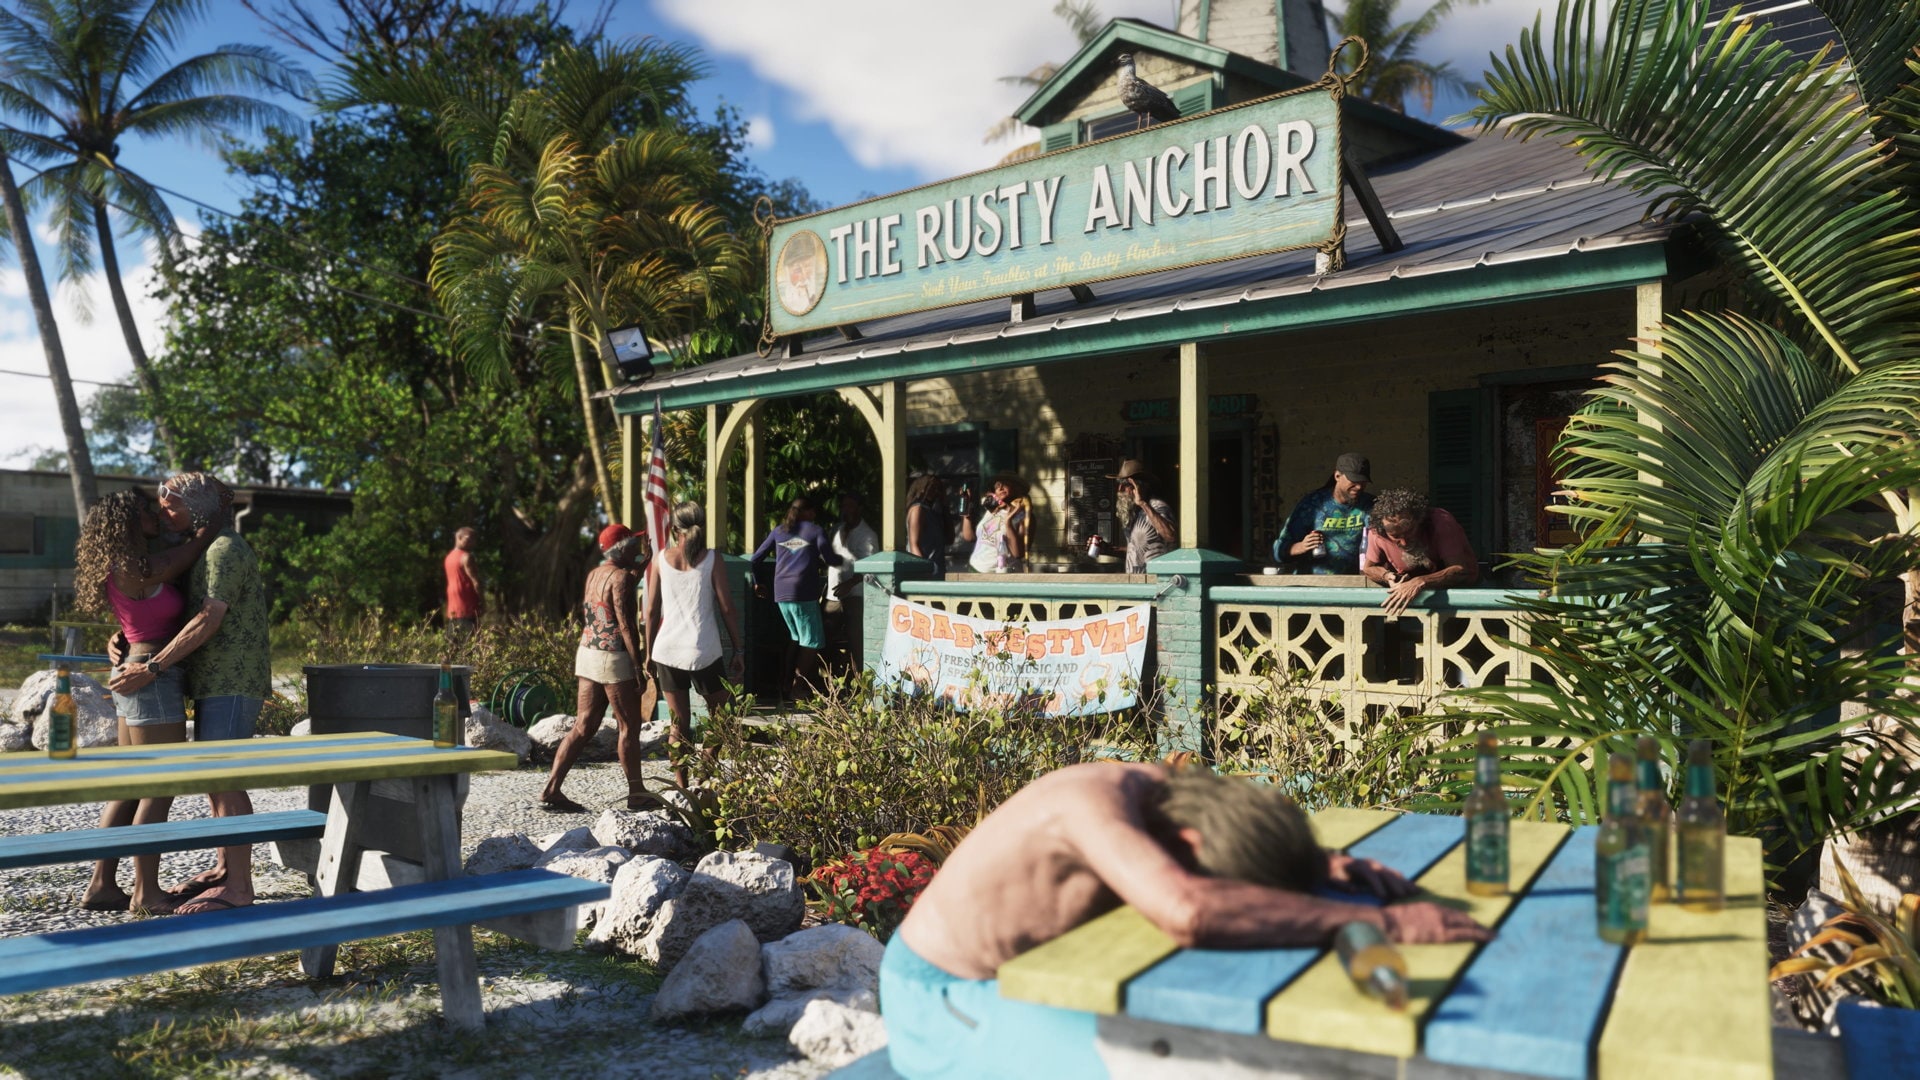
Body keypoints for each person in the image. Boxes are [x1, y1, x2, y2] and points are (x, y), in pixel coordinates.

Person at [881, 762, 1492, 1077]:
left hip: (1034, 980)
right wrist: (1386, 926)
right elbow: (1188, 909)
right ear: (1187, 841)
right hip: (944, 999)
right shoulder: (1088, 806)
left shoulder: (1175, 793)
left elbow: (1237, 835)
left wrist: (1321, 861)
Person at [109, 471, 271, 915]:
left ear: (197, 508)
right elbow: (157, 605)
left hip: (232, 680)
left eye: (170, 505)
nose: (163, 513)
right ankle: (224, 870)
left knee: (225, 780)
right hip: (209, 678)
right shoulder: (194, 552)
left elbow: (208, 618)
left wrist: (154, 666)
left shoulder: (223, 549)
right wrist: (123, 637)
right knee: (211, 782)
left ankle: (239, 887)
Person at [74, 488, 224, 915]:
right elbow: (192, 551)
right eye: (146, 509)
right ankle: (146, 893)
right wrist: (214, 518)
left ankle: (102, 885)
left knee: (130, 789)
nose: (155, 514)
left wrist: (119, 637)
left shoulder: (126, 562)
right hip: (150, 677)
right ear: (126, 519)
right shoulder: (137, 564)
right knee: (159, 788)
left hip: (137, 673)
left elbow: (138, 616)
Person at [541, 523, 660, 813]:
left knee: (584, 725)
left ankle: (552, 788)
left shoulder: (596, 573)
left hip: (588, 653)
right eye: (634, 543)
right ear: (622, 548)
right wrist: (639, 665)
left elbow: (611, 591)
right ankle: (637, 792)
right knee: (628, 726)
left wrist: (640, 568)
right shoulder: (621, 578)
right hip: (613, 657)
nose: (637, 546)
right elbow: (626, 626)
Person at [647, 502, 745, 790]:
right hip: (704, 649)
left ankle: (681, 788)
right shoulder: (712, 559)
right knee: (722, 718)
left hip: (667, 649)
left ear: (674, 529)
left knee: (679, 725)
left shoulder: (660, 560)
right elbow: (727, 608)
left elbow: (650, 611)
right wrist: (739, 649)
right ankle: (703, 775)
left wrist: (647, 653)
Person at [750, 496, 842, 703]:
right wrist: (848, 560)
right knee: (813, 641)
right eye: (813, 511)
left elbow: (755, 559)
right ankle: (796, 687)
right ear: (808, 512)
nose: (815, 515)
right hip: (804, 594)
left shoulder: (779, 531)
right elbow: (830, 559)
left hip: (781, 593)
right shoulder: (815, 530)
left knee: (796, 638)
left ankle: (784, 683)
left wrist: (757, 582)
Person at [1362, 488, 1480, 618]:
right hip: (1408, 600)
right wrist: (1387, 576)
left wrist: (1420, 581)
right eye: (1395, 536)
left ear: (1420, 519)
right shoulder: (1377, 531)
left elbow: (1459, 569)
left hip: (1463, 597)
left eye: (1409, 531)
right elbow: (1369, 568)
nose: (1404, 542)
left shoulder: (1441, 521)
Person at [1274, 452, 1375, 574]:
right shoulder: (1312, 504)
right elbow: (1278, 552)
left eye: (1363, 482)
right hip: (1314, 584)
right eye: (1354, 481)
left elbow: (1384, 544)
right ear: (1337, 476)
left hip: (1354, 583)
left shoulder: (1371, 505)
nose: (1359, 487)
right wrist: (1301, 546)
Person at [1088, 459, 1175, 572]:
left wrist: (1143, 504)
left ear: (1140, 486)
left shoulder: (1156, 507)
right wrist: (1109, 550)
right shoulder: (1134, 512)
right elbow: (1136, 552)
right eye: (1118, 484)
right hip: (1136, 583)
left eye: (1125, 485)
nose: (1120, 489)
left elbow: (1171, 536)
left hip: (1155, 581)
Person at [826, 492, 880, 670]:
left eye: (850, 506)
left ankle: (860, 689)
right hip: (833, 594)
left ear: (859, 508)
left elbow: (869, 567)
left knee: (855, 641)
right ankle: (830, 683)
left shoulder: (868, 535)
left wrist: (849, 584)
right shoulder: (838, 529)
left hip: (855, 595)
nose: (846, 510)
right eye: (844, 506)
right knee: (824, 637)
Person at [960, 473, 1030, 574]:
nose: (1000, 488)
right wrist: (967, 509)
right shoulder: (992, 511)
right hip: (975, 569)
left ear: (1017, 489)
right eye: (997, 486)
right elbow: (969, 537)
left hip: (1001, 577)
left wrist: (1008, 522)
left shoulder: (1023, 516)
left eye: (1004, 484)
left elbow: (1017, 553)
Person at [904, 473, 951, 575]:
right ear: (922, 488)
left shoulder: (934, 513)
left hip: (938, 571)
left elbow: (950, 539)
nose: (936, 492)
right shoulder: (918, 509)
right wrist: (923, 572)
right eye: (932, 487)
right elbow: (914, 545)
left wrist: (945, 507)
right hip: (926, 572)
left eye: (939, 489)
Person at [444, 525, 482, 639]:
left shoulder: (448, 557)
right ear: (459, 538)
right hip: (467, 606)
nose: (473, 542)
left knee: (454, 645)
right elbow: (476, 582)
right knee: (471, 645)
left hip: (453, 609)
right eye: (469, 539)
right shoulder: (467, 557)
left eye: (474, 539)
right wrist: (482, 601)